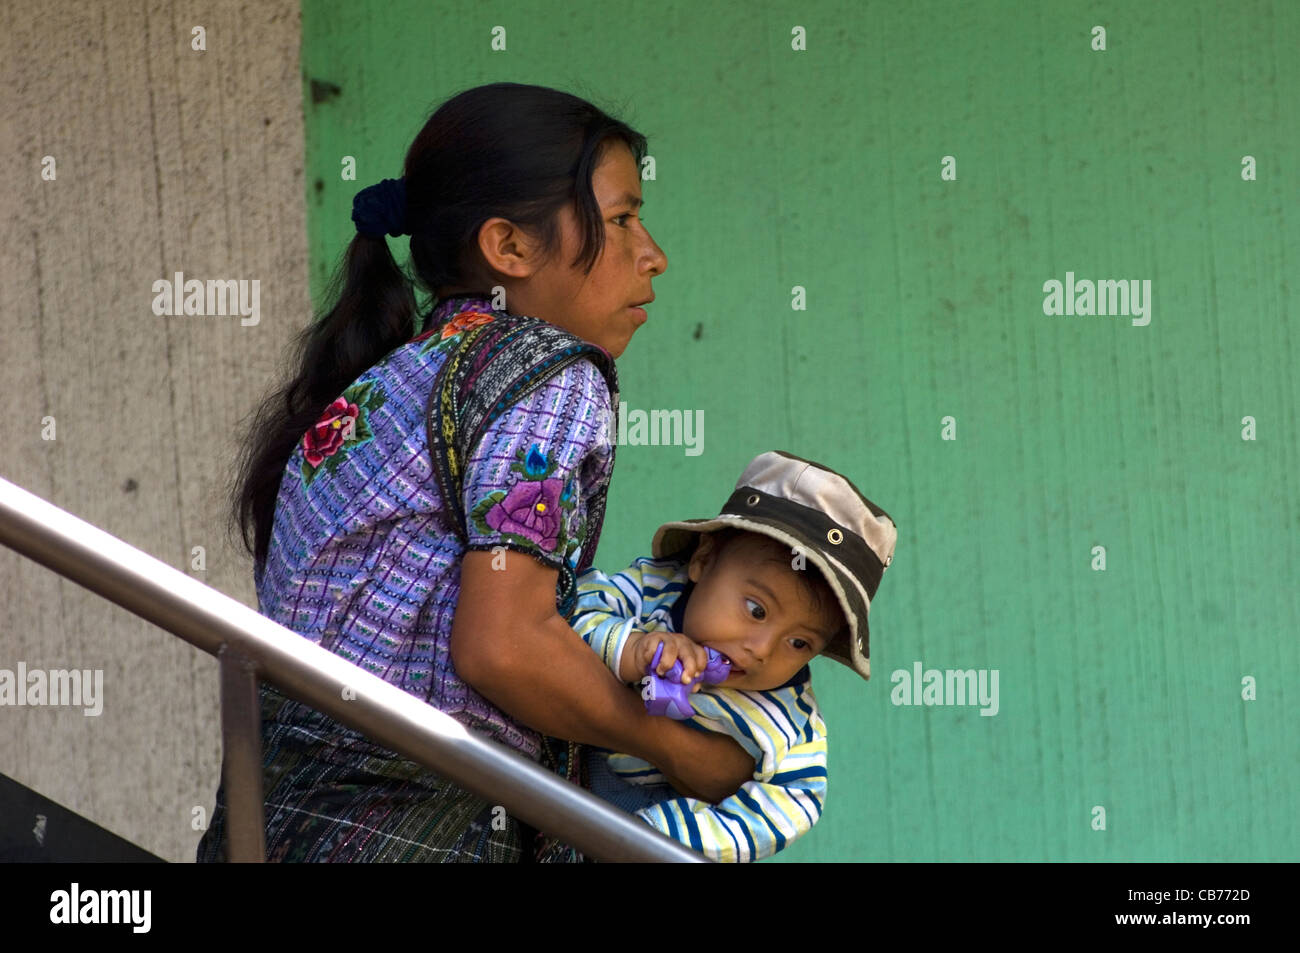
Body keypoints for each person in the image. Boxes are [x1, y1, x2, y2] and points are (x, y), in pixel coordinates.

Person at [195, 82, 755, 863]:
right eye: (623, 218)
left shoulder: (395, 377)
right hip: (410, 827)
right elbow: (504, 645)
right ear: (510, 248)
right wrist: (675, 748)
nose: (652, 252)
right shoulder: (544, 369)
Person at [569, 450, 898, 861]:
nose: (761, 651)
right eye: (756, 610)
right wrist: (630, 647)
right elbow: (567, 612)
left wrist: (655, 837)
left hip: (657, 824)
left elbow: (796, 802)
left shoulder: (790, 719)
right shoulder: (652, 590)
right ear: (703, 561)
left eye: (799, 643)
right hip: (554, 765)